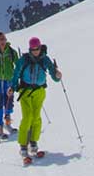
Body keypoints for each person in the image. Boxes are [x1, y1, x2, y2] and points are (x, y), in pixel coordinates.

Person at [10, 36, 62, 165]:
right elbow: (16, 73)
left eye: (37, 48)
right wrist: (13, 87)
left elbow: (53, 74)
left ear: (40, 47)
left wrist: (57, 76)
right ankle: (23, 145)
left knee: (36, 117)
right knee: (28, 116)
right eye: (33, 49)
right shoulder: (24, 59)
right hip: (25, 91)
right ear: (30, 49)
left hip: (39, 91)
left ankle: (33, 142)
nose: (35, 51)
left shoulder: (45, 59)